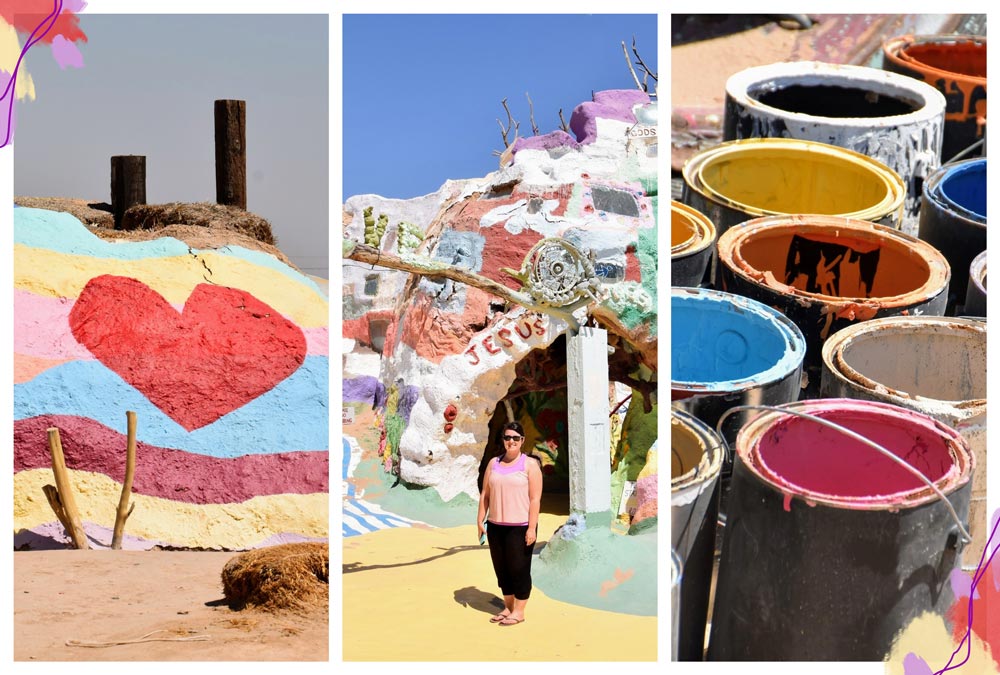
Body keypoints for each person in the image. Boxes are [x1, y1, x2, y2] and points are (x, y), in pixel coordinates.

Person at [477, 421, 543, 626]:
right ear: (503, 440)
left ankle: (520, 611)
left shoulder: (530, 465)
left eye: (515, 438)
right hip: (496, 526)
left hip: (521, 526)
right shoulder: (493, 463)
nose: (511, 441)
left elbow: (535, 499)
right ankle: (508, 607)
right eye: (507, 437)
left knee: (519, 568)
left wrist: (532, 528)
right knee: (502, 569)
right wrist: (480, 520)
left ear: (522, 440)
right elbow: (485, 494)